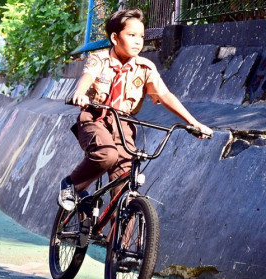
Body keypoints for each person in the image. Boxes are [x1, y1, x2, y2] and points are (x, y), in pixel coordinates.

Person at [58, 9, 213, 237]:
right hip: (95, 118)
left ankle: (120, 249)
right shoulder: (100, 59)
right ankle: (71, 184)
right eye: (131, 35)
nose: (138, 41)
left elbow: (166, 95)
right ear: (115, 38)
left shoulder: (145, 68)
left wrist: (194, 123)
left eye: (141, 37)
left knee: (125, 185)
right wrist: (80, 94)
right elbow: (88, 77)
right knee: (106, 155)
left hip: (124, 124)